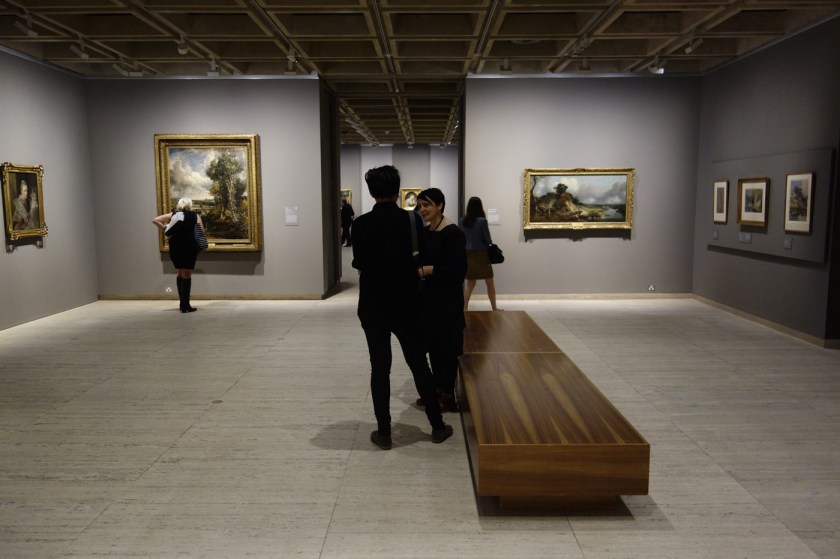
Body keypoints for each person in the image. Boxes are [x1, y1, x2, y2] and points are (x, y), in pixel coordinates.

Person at [351, 166, 453, 449]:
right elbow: (418, 259)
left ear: (371, 191)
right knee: (419, 363)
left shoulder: (359, 225)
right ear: (398, 190)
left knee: (379, 367)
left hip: (372, 305)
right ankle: (436, 426)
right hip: (407, 304)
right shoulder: (411, 221)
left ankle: (384, 433)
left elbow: (359, 265)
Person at [416, 188, 467, 413]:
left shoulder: (453, 232)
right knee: (434, 347)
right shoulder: (426, 232)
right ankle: (436, 390)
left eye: (427, 205)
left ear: (440, 205)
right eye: (419, 206)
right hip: (429, 301)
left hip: (447, 301)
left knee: (448, 349)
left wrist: (429, 270)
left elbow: (458, 270)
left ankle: (448, 394)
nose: (422, 210)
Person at [152, 198, 205, 313]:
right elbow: (201, 231)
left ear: (179, 205)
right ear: (190, 205)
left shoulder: (173, 214)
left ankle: (183, 304)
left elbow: (156, 220)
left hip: (175, 246)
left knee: (180, 273)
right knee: (187, 276)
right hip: (189, 246)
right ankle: (186, 306)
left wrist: (165, 228)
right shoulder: (195, 216)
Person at [461, 196, 500, 311]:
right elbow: (488, 240)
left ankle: (465, 308)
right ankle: (494, 307)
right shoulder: (482, 221)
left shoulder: (463, 220)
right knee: (489, 282)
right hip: (482, 254)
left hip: (469, 253)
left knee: (470, 283)